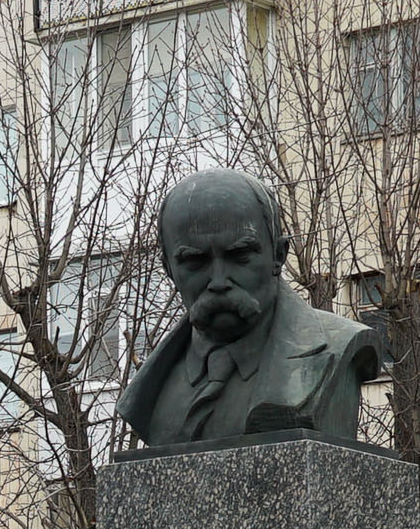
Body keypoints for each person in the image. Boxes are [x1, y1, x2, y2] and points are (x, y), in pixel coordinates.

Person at [117, 168, 381, 448]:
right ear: (169, 269)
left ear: (278, 255)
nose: (218, 281)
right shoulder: (152, 391)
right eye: (195, 261)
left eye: (239, 255)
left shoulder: (340, 348)